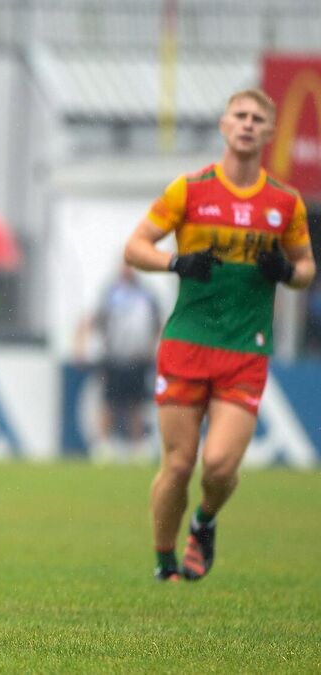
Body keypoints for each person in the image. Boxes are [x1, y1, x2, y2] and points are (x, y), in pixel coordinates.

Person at [124, 88, 314, 582]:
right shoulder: (189, 190)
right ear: (224, 125)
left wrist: (286, 272)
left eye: (257, 118)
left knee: (220, 466)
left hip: (245, 348)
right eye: (240, 116)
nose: (248, 124)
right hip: (186, 342)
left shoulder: (285, 202)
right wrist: (175, 262)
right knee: (178, 464)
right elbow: (135, 247)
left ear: (269, 132)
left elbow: (306, 268)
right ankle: (165, 562)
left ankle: (204, 521)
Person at [74, 262, 162, 460]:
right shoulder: (110, 293)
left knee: (137, 404)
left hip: (138, 358)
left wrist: (155, 348)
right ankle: (103, 445)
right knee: (109, 402)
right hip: (113, 357)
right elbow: (92, 320)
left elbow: (158, 324)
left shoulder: (146, 295)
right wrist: (81, 345)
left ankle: (138, 447)